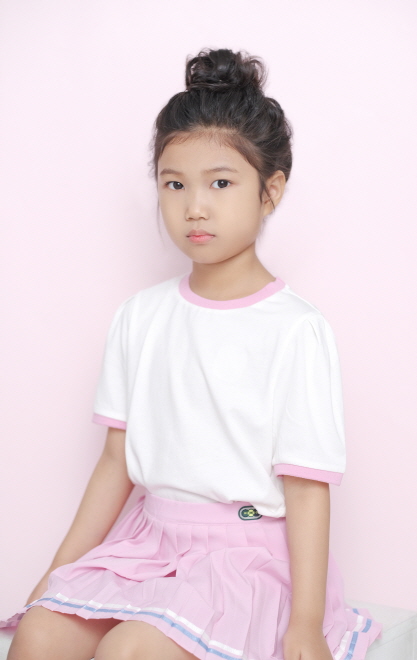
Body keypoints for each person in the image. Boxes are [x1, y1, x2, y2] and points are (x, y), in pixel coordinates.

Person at [2, 47, 383, 660]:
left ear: (270, 191)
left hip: (247, 561)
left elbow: (307, 486)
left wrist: (306, 624)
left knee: (130, 651)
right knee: (39, 634)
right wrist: (55, 575)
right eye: (174, 184)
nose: (194, 206)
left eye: (221, 183)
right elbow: (116, 462)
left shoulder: (295, 330)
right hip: (149, 547)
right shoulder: (141, 316)